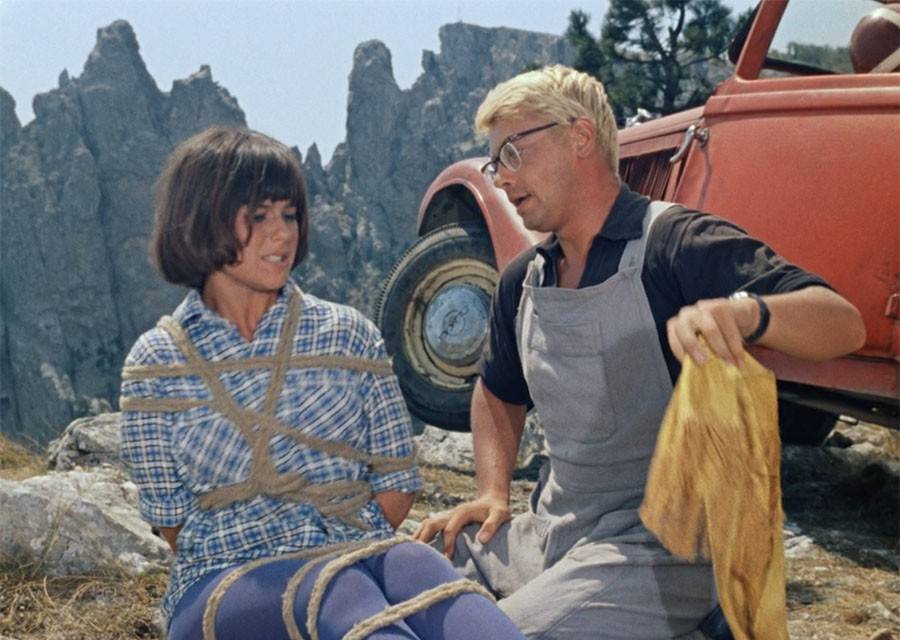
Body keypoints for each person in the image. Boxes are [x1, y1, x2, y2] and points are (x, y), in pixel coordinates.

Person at [413, 65, 867, 639]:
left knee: (497, 635)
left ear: (580, 137)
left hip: (661, 551)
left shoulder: (675, 242)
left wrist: (746, 313)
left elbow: (842, 323)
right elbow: (497, 391)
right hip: (554, 534)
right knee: (410, 572)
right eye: (494, 162)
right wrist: (492, 492)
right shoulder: (523, 279)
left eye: (513, 152)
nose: (501, 177)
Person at [120, 126, 527, 640]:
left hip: (358, 549)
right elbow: (173, 525)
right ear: (202, 220)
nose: (282, 233)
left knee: (417, 564)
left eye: (290, 215)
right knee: (340, 586)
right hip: (222, 580)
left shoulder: (350, 334)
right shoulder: (156, 366)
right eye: (259, 216)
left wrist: (339, 546)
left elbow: (396, 484)